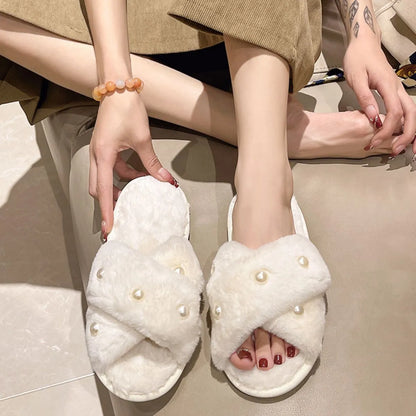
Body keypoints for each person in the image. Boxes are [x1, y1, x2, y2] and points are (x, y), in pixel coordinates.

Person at [0, 0, 414, 381]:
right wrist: (118, 84)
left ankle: (263, 182)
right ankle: (269, 132)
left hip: (252, 22)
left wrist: (363, 35)